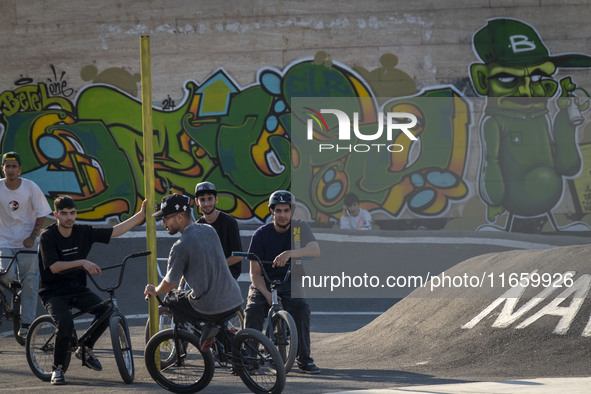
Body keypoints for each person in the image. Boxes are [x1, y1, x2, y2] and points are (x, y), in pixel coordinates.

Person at [38, 195, 147, 385]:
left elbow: (115, 231)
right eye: (64, 214)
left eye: (72, 213)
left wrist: (141, 214)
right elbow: (54, 267)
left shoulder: (83, 232)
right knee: (65, 325)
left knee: (106, 311)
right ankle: (58, 369)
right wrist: (82, 262)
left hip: (77, 288)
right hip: (53, 291)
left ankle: (86, 347)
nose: (69, 218)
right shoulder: (47, 236)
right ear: (56, 214)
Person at [144, 193, 243, 351]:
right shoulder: (209, 230)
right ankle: (235, 353)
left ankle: (204, 327)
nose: (162, 223)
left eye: (165, 218)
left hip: (211, 306)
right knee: (208, 312)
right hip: (234, 299)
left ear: (180, 217)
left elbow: (169, 284)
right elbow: (203, 261)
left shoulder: (180, 246)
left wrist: (155, 290)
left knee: (171, 299)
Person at [244, 190, 321, 374]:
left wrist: (290, 253)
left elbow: (315, 250)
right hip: (265, 283)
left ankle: (304, 359)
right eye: (278, 211)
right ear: (272, 212)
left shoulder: (299, 228)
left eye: (286, 210)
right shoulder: (260, 234)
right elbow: (254, 274)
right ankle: (249, 358)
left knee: (302, 309)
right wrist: (268, 295)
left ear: (291, 211)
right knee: (253, 310)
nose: (283, 215)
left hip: (290, 280)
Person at [0, 151, 52, 339]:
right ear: (2, 168)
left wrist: (32, 236)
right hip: (4, 241)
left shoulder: (30, 188)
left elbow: (42, 214)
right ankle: (10, 295)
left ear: (20, 169)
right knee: (5, 275)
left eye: (14, 166)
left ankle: (27, 323)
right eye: (8, 166)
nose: (11, 170)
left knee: (30, 281)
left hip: (27, 242)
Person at [194, 181, 243, 280]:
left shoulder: (230, 222)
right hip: (206, 277)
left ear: (216, 199)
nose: (207, 203)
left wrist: (215, 267)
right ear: (196, 202)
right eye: (202, 200)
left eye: (210, 199)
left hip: (227, 275)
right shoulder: (197, 227)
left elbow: (238, 256)